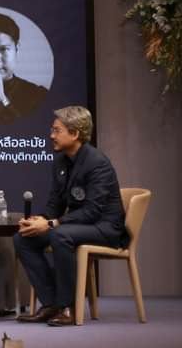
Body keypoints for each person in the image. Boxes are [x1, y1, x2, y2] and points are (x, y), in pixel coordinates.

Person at [15, 106, 128, 327]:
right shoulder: (60, 161)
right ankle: (51, 304)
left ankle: (68, 308)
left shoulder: (97, 163)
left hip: (106, 228)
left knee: (60, 235)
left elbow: (92, 211)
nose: (51, 135)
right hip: (77, 225)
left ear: (75, 133)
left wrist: (52, 223)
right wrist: (39, 220)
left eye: (57, 130)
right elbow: (55, 203)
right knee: (23, 238)